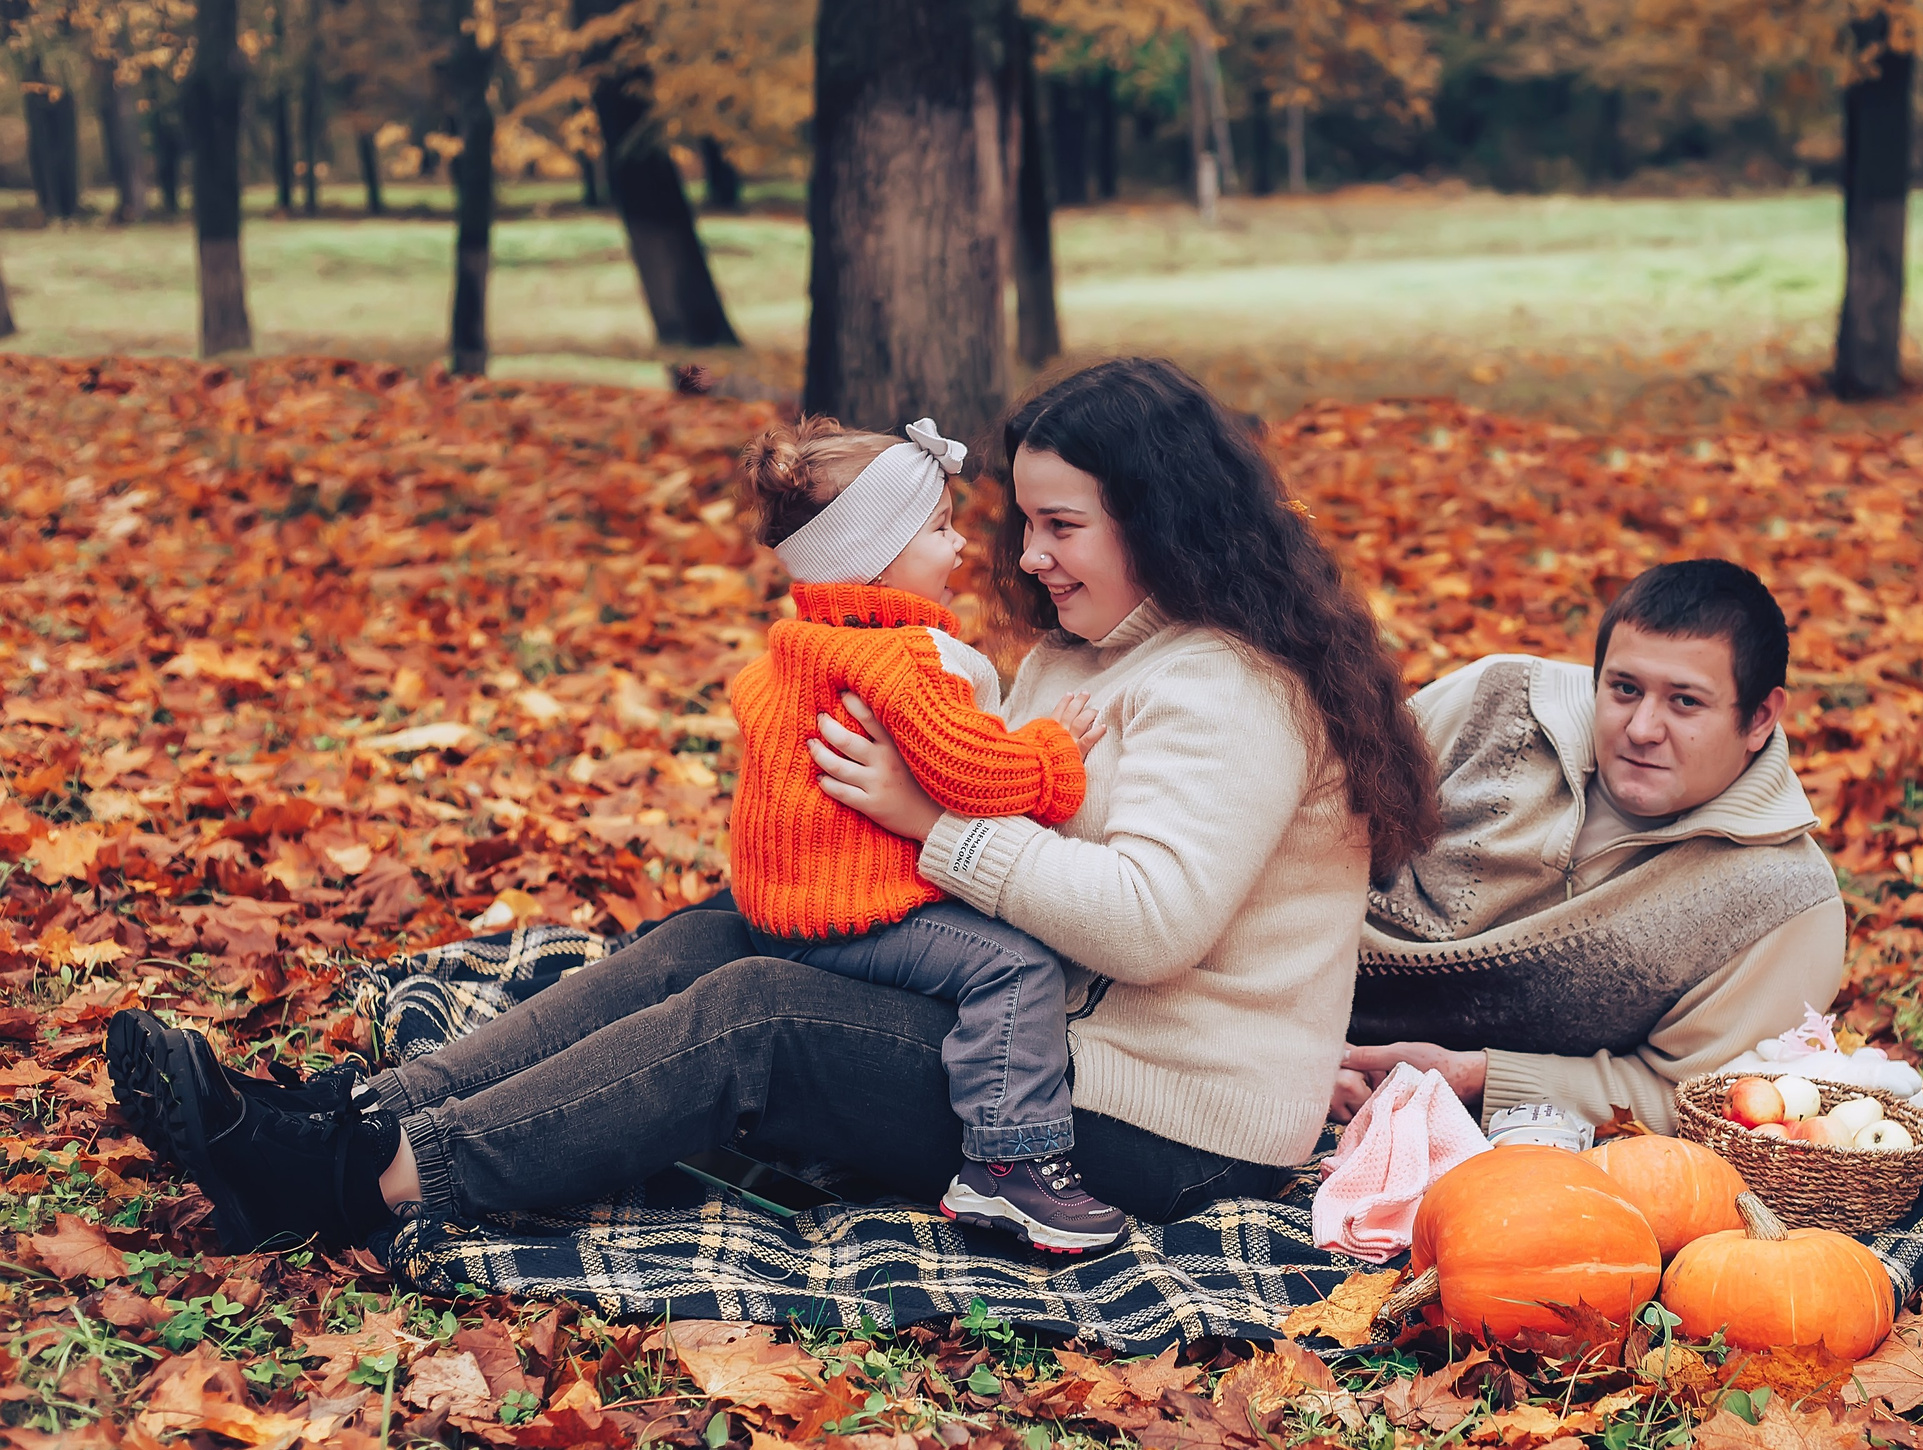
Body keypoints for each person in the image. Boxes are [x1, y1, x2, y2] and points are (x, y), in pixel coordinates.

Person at [106, 356, 1440, 1256]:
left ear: (1162, 517)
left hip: (1152, 1124)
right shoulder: (1095, 655)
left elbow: (1152, 926)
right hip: (1048, 1038)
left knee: (762, 1021)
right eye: (1021, 520)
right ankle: (362, 1112)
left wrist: (934, 827)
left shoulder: (1234, 689)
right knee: (740, 928)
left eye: (1062, 526)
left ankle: (366, 1186)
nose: (1026, 556)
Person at [724, 413, 1118, 1253]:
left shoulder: (798, 647)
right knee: (1016, 963)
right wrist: (1054, 751)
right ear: (877, 557)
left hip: (782, 906)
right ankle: (1012, 1166)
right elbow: (974, 775)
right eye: (940, 529)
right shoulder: (900, 660)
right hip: (850, 913)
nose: (962, 548)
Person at [1338, 558, 1843, 1135]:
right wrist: (1294, 1049)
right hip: (1265, 1020)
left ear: (1759, 718)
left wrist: (1475, 1077)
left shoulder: (1785, 902)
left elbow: (1691, 1100)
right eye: (1624, 689)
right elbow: (1303, 842)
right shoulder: (1495, 701)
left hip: (1497, 1139)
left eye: (1685, 703)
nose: (1642, 728)